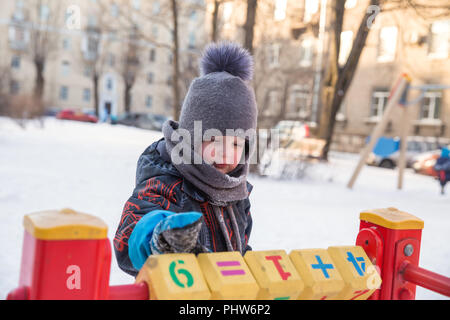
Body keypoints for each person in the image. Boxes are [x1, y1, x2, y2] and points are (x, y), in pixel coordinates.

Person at [114, 42, 258, 277]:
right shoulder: (165, 183)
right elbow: (130, 234)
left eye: (236, 144)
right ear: (189, 138)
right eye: (214, 140)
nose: (225, 153)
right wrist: (159, 238)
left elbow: (238, 251)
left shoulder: (238, 195)